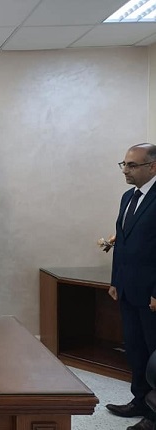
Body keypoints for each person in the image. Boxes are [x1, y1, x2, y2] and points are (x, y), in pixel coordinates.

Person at [106, 143, 156, 430]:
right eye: (124, 164)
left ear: (153, 166)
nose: (125, 170)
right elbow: (122, 243)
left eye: (132, 165)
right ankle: (140, 400)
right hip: (128, 288)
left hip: (151, 293)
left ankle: (154, 415)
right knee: (136, 350)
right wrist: (115, 281)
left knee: (154, 355)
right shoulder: (128, 197)